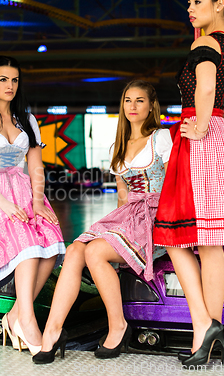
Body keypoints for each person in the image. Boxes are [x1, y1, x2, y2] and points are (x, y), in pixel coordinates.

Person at [33, 80, 172, 364]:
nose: (132, 106)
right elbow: (123, 198)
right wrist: (115, 231)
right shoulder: (117, 147)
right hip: (129, 217)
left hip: (158, 218)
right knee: (74, 250)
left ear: (150, 106)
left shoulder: (161, 137)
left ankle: (118, 325)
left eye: (140, 100)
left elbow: (174, 185)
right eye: (128, 100)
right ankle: (52, 331)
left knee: (95, 251)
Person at [153, 0, 224, 367]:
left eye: (197, 1)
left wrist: (201, 124)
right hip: (221, 142)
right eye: (189, 3)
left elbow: (208, 91)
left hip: (200, 140)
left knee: (176, 239)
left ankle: (203, 324)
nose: (190, 9)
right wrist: (212, 123)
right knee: (211, 243)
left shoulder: (205, 42)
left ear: (220, 4)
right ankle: (209, 330)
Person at [0, 55, 66, 355]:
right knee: (28, 247)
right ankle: (28, 322)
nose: (9, 85)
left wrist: (38, 202)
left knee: (53, 245)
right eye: (3, 79)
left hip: (24, 192)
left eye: (14, 80)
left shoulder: (27, 120)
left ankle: (17, 315)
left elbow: (35, 167)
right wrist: (6, 205)